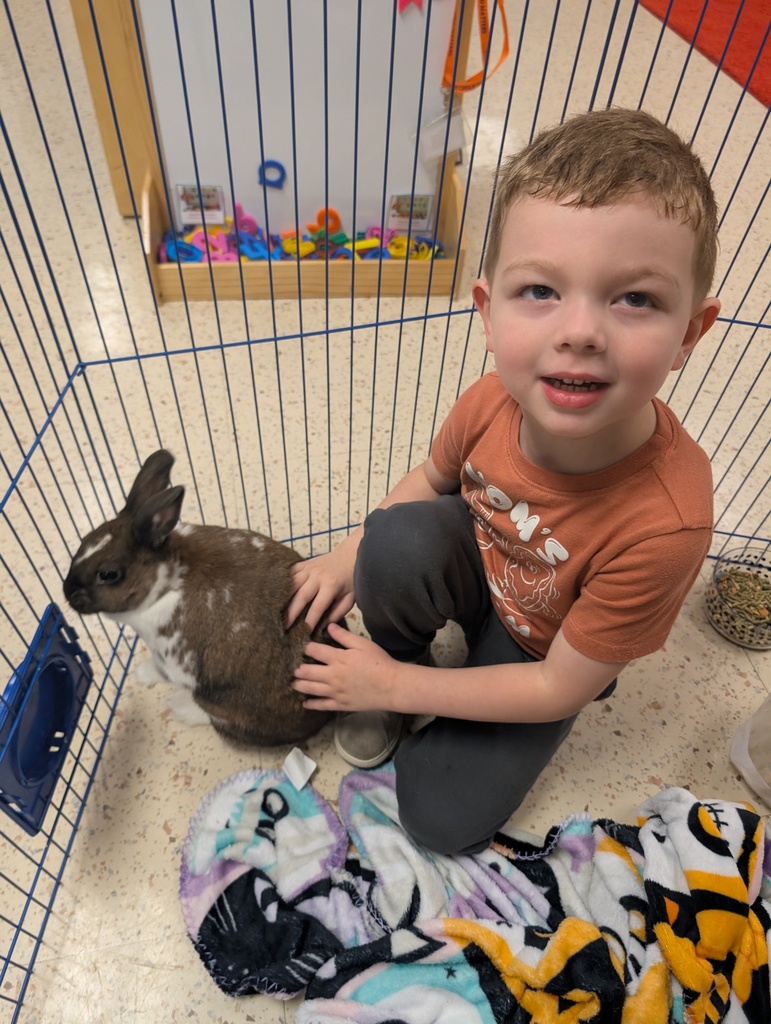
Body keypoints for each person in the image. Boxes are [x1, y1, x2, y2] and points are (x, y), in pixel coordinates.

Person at [285, 107, 721, 856]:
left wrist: (391, 688)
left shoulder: (666, 522)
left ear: (690, 331)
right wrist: (343, 554)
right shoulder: (491, 400)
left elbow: (556, 687)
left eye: (635, 299)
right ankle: (411, 656)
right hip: (482, 565)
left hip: (549, 652)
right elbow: (428, 480)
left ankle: (413, 685)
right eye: (540, 291)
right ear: (486, 311)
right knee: (392, 537)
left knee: (438, 822)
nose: (579, 331)